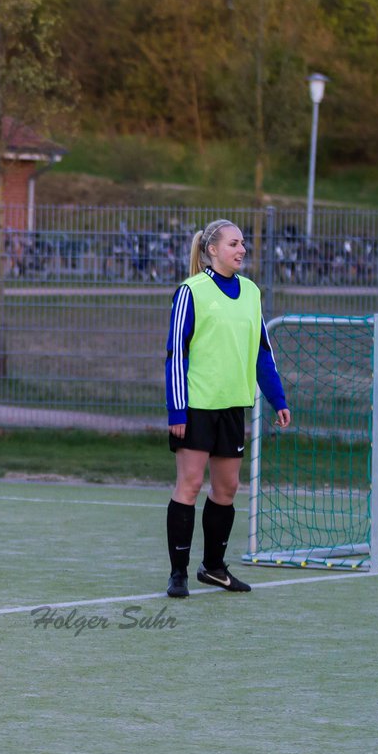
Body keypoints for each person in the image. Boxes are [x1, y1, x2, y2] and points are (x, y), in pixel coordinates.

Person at [164, 218, 291, 598]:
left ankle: (214, 568)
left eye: (243, 244)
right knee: (188, 486)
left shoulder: (251, 293)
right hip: (197, 407)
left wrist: (277, 399)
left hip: (233, 407)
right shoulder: (191, 291)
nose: (243, 250)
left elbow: (261, 353)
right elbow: (176, 356)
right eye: (235, 243)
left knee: (227, 489)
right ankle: (178, 574)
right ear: (213, 249)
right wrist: (177, 411)